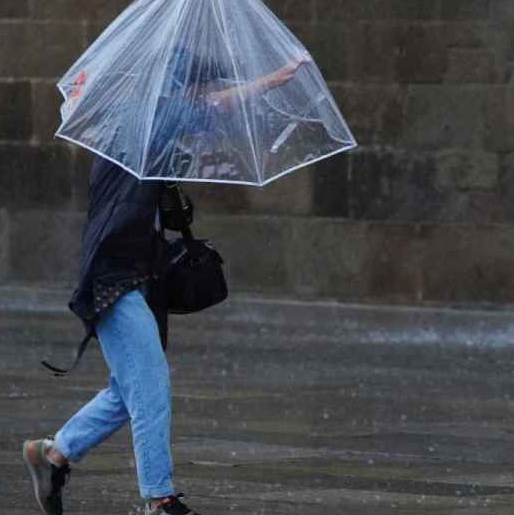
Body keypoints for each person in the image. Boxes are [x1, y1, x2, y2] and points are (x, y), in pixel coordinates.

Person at [22, 50, 309, 515]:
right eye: (198, 87)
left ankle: (52, 456)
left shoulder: (144, 125)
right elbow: (217, 107)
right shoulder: (149, 115)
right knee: (151, 385)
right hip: (114, 278)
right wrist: (273, 78)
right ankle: (159, 498)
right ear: (181, 86)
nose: (201, 96)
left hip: (139, 275)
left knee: (128, 390)